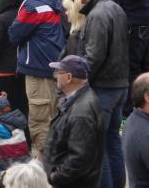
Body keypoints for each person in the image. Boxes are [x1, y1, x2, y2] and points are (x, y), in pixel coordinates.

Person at [58, 0, 126, 188]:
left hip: (103, 89)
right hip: (119, 86)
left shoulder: (97, 14)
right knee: (112, 142)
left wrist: (77, 87)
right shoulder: (115, 8)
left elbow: (92, 57)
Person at [8, 0, 65, 155]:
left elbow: (14, 34)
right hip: (51, 68)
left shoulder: (33, 5)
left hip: (38, 70)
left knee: (40, 122)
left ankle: (42, 170)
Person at [44, 55, 105, 188]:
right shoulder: (76, 99)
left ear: (69, 77)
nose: (55, 76)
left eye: (58, 72)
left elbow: (79, 158)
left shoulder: (81, 113)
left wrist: (55, 177)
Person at [0, 0, 28, 116]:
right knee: (21, 107)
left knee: (3, 110)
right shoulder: (24, 15)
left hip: (3, 71)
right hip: (21, 69)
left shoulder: (1, 19)